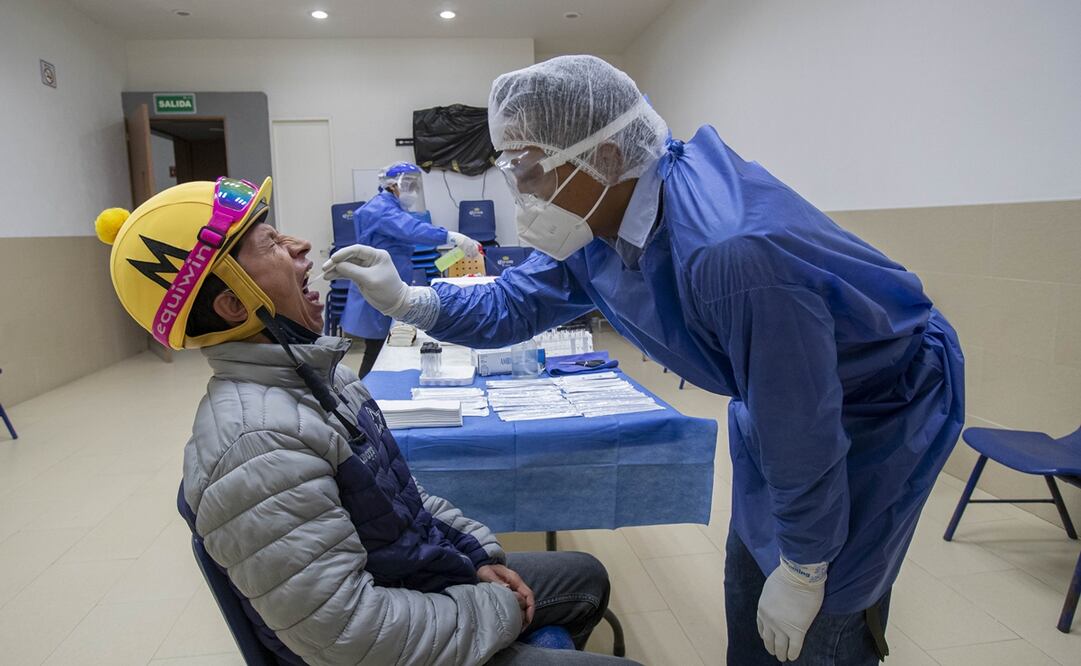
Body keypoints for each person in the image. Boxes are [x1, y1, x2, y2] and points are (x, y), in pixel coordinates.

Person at [324, 55, 966, 665]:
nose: (518, 190)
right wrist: (410, 300)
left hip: (880, 401)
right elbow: (517, 305)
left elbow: (800, 422)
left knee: (825, 608)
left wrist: (804, 569)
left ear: (602, 155)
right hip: (780, 393)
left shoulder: (730, 253)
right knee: (756, 575)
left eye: (526, 168)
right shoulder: (603, 213)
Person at [93, 177, 638, 666]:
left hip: (411, 582)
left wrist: (475, 558)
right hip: (378, 643)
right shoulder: (256, 444)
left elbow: (405, 498)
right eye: (272, 243)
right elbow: (352, 636)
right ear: (236, 304)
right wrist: (492, 609)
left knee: (585, 576)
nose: (301, 245)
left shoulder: (325, 379)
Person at [342, 162, 483, 378]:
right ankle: (363, 398)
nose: (413, 190)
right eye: (408, 184)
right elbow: (412, 229)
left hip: (384, 283)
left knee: (380, 349)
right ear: (391, 185)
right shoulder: (381, 210)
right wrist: (452, 237)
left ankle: (365, 395)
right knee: (375, 350)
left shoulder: (389, 206)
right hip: (377, 286)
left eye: (415, 184)